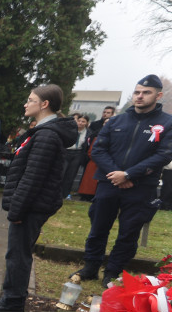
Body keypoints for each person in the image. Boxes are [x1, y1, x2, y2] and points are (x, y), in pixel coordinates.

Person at [0, 85, 77, 312]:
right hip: (33, 204)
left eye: (31, 99)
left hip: (31, 206)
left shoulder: (46, 135)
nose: (26, 104)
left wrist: (17, 211)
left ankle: (13, 301)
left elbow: (33, 177)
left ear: (44, 104)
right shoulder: (43, 131)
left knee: (17, 253)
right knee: (18, 252)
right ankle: (12, 297)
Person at [70, 75, 172, 287]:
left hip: (140, 187)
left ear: (158, 95)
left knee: (128, 232)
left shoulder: (167, 123)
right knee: (98, 227)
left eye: (146, 92)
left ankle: (113, 272)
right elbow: (98, 150)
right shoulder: (116, 121)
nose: (140, 96)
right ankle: (90, 267)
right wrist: (117, 174)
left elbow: (164, 154)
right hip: (109, 183)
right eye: (137, 92)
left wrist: (128, 175)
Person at [77, 105, 116, 200]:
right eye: (104, 112)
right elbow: (91, 147)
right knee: (89, 181)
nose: (105, 114)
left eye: (108, 113)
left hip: (106, 161)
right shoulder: (96, 132)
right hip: (94, 161)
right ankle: (86, 196)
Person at [61, 113, 90, 199]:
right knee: (62, 173)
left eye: (83, 121)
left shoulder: (88, 133)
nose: (80, 123)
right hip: (67, 152)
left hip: (78, 154)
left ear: (87, 123)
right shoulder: (71, 130)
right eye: (79, 121)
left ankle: (65, 194)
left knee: (71, 175)